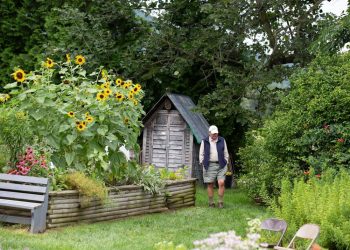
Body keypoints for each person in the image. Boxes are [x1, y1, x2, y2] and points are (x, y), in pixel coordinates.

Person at [199, 125, 229, 208]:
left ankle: (220, 202)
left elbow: (226, 152)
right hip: (209, 165)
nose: (215, 135)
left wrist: (226, 160)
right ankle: (211, 203)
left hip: (221, 164)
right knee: (210, 184)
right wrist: (202, 162)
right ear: (209, 133)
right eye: (213, 134)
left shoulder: (222, 140)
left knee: (221, 182)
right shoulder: (204, 141)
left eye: (216, 133)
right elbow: (201, 153)